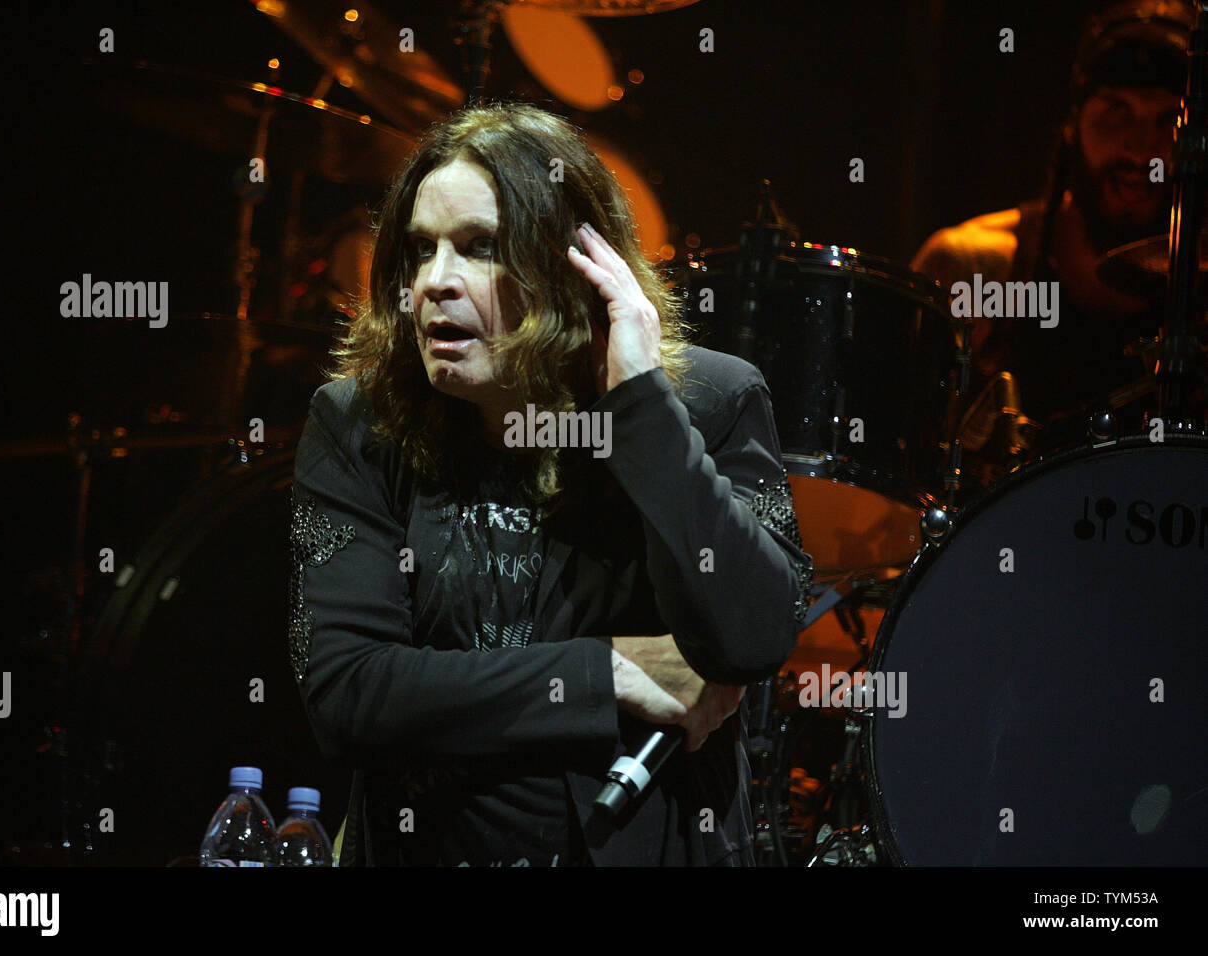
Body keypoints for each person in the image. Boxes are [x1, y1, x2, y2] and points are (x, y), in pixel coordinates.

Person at [289, 103, 814, 866]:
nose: (434, 283)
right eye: (419, 251)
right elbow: (348, 694)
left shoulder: (711, 402)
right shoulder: (360, 424)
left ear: (573, 268)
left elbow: (753, 639)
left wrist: (641, 410)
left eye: (480, 248)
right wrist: (606, 673)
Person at [912, 0, 1194, 474]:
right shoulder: (972, 271)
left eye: (1168, 120)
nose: (1141, 146)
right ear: (1073, 123)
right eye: (1117, 112)